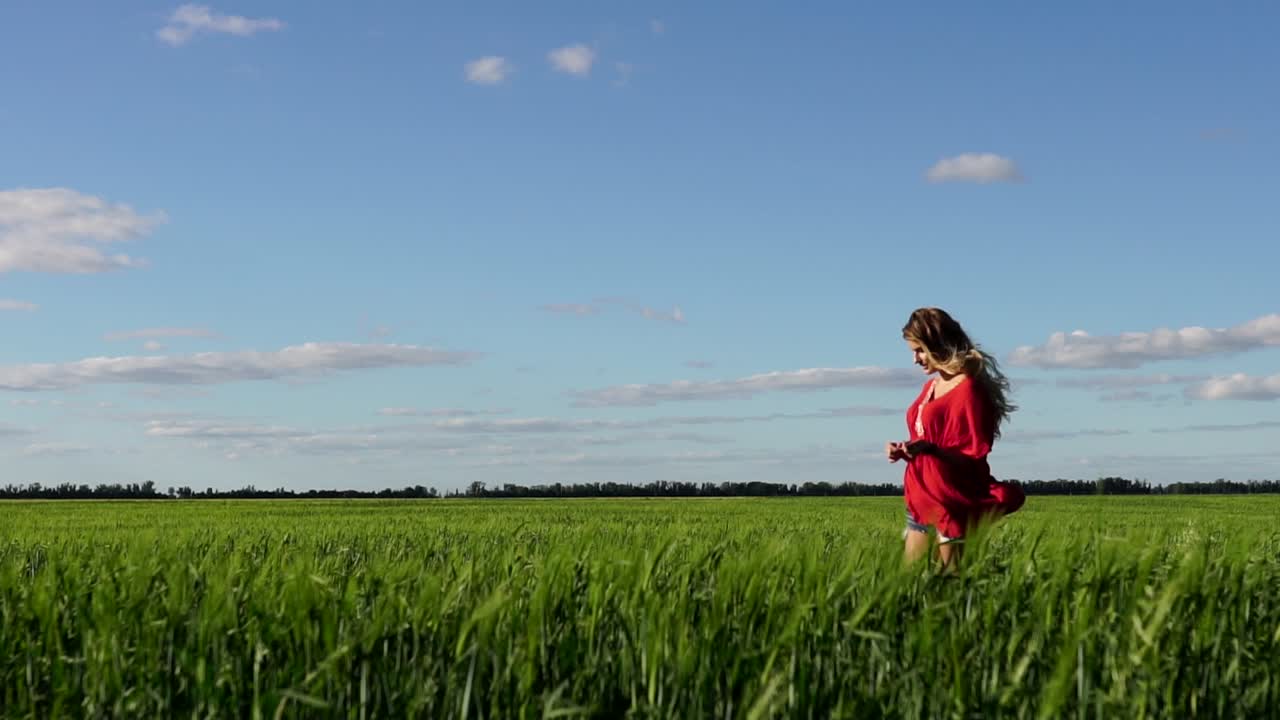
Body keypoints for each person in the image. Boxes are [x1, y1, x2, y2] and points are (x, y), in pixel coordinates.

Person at [886, 307, 1025, 568]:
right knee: (911, 582)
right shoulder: (931, 386)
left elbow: (973, 453)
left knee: (950, 583)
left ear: (937, 345)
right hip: (921, 496)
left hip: (950, 500)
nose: (915, 359)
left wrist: (930, 449)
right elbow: (926, 437)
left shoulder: (968, 389)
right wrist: (905, 448)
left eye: (919, 350)